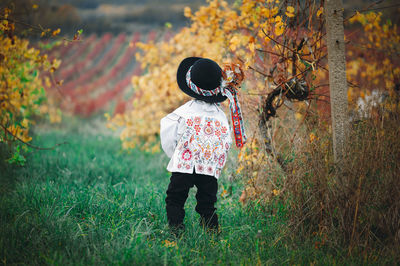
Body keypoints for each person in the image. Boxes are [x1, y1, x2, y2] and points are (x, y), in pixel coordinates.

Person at [160, 57, 246, 235]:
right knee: (207, 202)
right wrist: (215, 163)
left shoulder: (183, 112)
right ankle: (212, 234)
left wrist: (175, 155)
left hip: (184, 165)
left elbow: (168, 132)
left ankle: (176, 231)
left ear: (191, 86)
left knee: (175, 198)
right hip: (208, 168)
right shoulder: (220, 116)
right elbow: (226, 142)